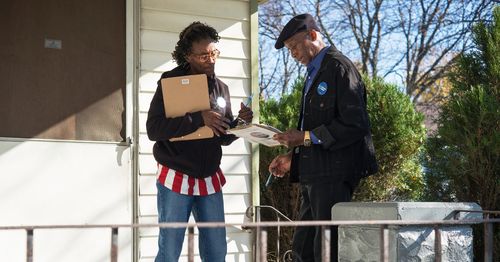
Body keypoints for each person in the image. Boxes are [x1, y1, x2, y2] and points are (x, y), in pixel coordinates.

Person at [268, 14, 378, 262]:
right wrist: (292, 157)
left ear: (313, 35)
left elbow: (355, 123)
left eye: (295, 46)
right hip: (314, 176)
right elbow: (314, 131)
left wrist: (305, 137)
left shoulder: (339, 67)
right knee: (302, 250)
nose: (293, 53)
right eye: (289, 50)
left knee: (325, 252)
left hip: (334, 175)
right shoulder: (312, 73)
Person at [146, 21, 253, 262]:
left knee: (216, 252)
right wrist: (198, 118)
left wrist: (240, 124)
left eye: (214, 52)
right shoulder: (170, 82)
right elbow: (154, 129)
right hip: (176, 175)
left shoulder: (221, 88)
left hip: (209, 178)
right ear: (188, 56)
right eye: (203, 55)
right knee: (169, 252)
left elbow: (222, 137)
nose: (211, 59)